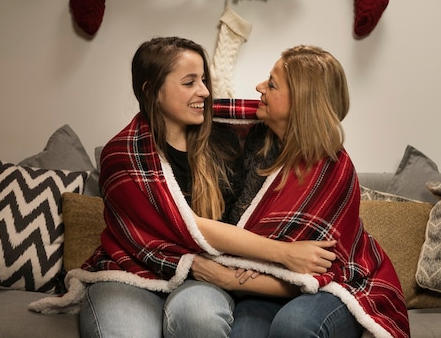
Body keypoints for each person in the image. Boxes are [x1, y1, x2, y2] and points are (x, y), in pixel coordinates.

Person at [72, 37, 336, 338]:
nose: (205, 92)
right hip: (130, 272)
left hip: (205, 277)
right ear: (151, 91)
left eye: (204, 79)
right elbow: (186, 225)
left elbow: (296, 137)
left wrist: (253, 263)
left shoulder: (224, 141)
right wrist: (283, 253)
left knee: (200, 318)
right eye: (189, 82)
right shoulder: (123, 155)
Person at [191, 45, 410, 338]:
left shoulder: (333, 171)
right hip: (263, 280)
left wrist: (229, 279)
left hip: (339, 284)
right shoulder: (258, 142)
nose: (259, 88)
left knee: (294, 326)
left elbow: (318, 272)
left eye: (271, 84)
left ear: (301, 102)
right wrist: (272, 258)